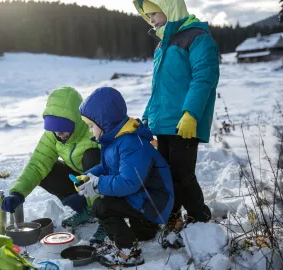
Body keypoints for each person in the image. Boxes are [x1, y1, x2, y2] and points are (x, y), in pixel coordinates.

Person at [133, 0, 220, 229]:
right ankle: (173, 216)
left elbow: (204, 77)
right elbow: (158, 89)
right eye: (148, 15)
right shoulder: (162, 45)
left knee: (183, 175)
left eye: (154, 13)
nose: (150, 20)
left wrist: (191, 113)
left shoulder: (197, 37)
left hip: (184, 123)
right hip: (164, 123)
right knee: (166, 175)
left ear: (170, 10)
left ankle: (198, 217)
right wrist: (147, 116)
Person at [77, 87, 174, 267]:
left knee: (102, 206)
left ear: (104, 121)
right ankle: (135, 235)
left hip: (154, 203)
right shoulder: (116, 139)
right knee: (142, 232)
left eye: (91, 126)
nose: (90, 131)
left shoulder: (130, 142)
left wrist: (97, 184)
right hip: (145, 198)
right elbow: (108, 168)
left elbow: (129, 183)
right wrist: (90, 176)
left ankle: (130, 252)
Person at [0, 86, 107, 240]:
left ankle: (104, 217)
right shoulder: (53, 135)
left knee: (92, 157)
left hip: (102, 182)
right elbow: (37, 164)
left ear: (76, 121)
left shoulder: (93, 128)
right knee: (45, 170)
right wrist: (17, 192)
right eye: (54, 128)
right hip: (79, 182)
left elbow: (112, 165)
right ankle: (86, 208)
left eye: (63, 128)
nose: (58, 133)